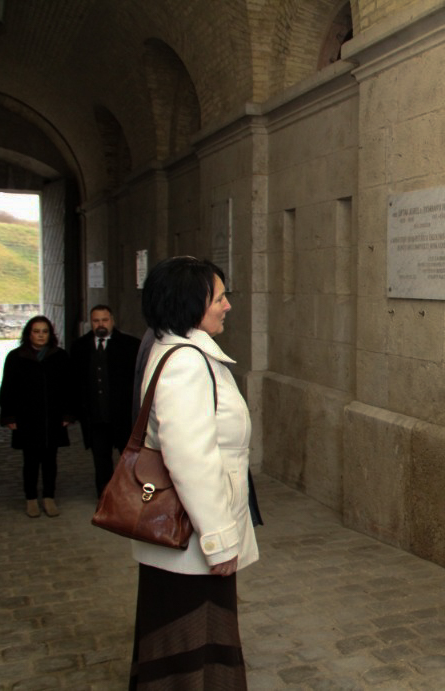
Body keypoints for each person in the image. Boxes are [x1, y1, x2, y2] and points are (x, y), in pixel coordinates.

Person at [129, 256, 259, 689]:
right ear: (190, 303)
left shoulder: (180, 350)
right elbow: (190, 459)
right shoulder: (186, 362)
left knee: (196, 640)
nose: (227, 306)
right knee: (188, 645)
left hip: (190, 538)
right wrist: (219, 540)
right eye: (219, 298)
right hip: (190, 539)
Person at [0, 316, 74, 518]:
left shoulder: (60, 356)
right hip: (27, 418)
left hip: (52, 418)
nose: (41, 335)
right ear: (29, 334)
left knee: (50, 460)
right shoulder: (16, 357)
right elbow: (8, 388)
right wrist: (9, 416)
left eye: (44, 331)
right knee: (30, 461)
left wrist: (68, 413)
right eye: (36, 331)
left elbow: (69, 387)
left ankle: (49, 497)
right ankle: (31, 498)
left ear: (50, 334)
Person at [70, 305, 141, 497]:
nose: (101, 324)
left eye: (104, 320)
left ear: (112, 321)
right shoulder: (79, 347)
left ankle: (132, 495)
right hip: (96, 417)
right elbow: (74, 382)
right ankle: (106, 497)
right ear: (90, 322)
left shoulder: (130, 346)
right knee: (101, 461)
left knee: (130, 458)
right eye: (96, 321)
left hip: (122, 415)